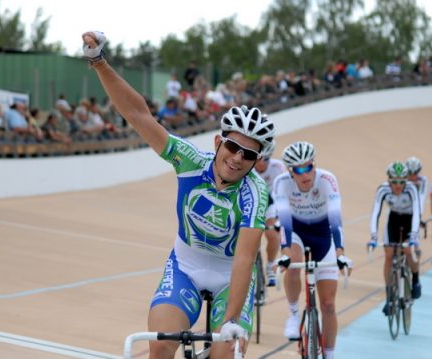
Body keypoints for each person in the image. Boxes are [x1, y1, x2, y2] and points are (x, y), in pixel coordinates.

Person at [82, 31, 275, 358]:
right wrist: (98, 62)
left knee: (225, 352)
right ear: (218, 143)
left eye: (248, 154)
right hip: (187, 265)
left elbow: (245, 259)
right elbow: (139, 115)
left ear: (258, 161)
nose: (237, 158)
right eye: (232, 146)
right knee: (159, 345)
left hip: (231, 276)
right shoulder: (189, 162)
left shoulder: (255, 192)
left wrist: (230, 323)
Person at [273, 141, 352, 359]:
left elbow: (336, 219)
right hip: (297, 232)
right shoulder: (281, 183)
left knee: (328, 305)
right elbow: (285, 222)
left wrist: (340, 252)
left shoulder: (327, 180)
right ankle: (293, 314)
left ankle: (329, 354)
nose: (305, 173)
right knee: (293, 262)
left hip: (323, 235)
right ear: (291, 172)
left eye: (308, 166)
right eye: (298, 169)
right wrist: (285, 252)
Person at [368, 162, 422, 316]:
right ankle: (389, 297)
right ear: (389, 180)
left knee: (407, 249)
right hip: (394, 220)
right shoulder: (383, 189)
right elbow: (375, 213)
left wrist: (413, 234)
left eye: (401, 182)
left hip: (410, 220)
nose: (398, 186)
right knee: (389, 255)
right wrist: (373, 236)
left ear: (406, 181)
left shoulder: (411, 189)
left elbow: (417, 212)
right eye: (394, 181)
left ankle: (416, 280)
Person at [253, 140, 287, 286]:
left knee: (273, 234)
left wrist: (281, 219)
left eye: (266, 159)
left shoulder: (278, 167)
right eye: (259, 158)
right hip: (253, 203)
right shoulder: (248, 168)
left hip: (270, 203)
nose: (262, 163)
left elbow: (284, 193)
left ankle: (270, 266)